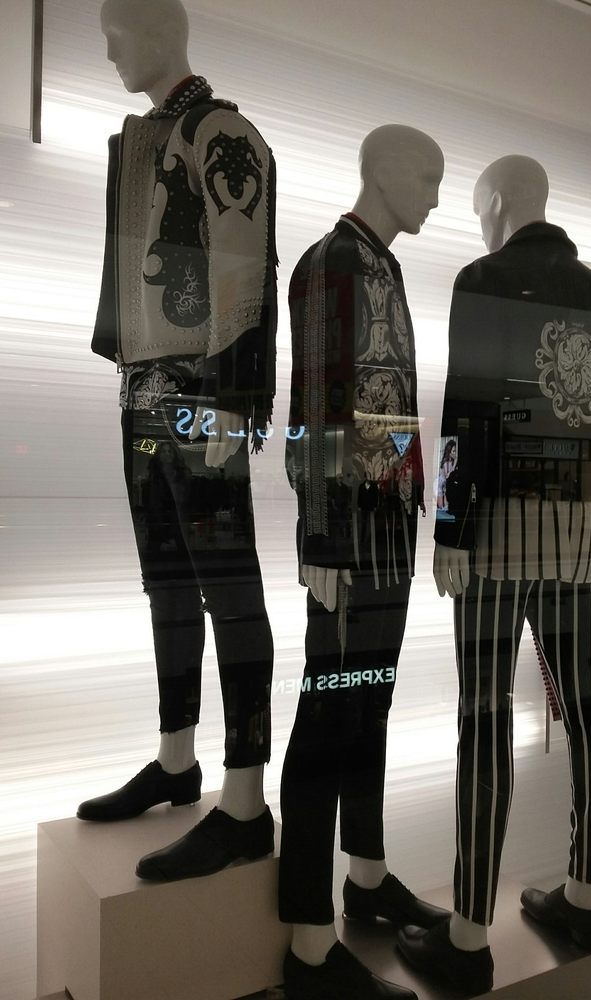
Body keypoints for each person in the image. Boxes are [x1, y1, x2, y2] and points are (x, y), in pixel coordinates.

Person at [397, 155, 591, 993]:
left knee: (485, 719)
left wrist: (449, 529)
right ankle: (586, 900)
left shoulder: (484, 278)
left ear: (495, 203)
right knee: (589, 712)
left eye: (475, 207)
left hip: (493, 540)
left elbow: (469, 406)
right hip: (573, 542)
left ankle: (468, 937)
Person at [77, 0, 278, 883]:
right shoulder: (149, 137)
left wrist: (233, 398)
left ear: (157, 29)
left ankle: (246, 801)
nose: (109, 50)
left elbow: (244, 262)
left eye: (116, 33)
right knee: (165, 582)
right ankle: (175, 759)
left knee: (230, 591)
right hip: (143, 397)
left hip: (200, 396)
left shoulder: (219, 131)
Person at [280, 125, 448, 1000]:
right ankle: (309, 943)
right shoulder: (332, 264)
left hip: (389, 534)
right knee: (327, 718)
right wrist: (319, 536)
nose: (434, 196)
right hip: (346, 540)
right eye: (427, 177)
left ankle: (368, 879)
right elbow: (314, 398)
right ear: (382, 171)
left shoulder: (386, 266)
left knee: (369, 707)